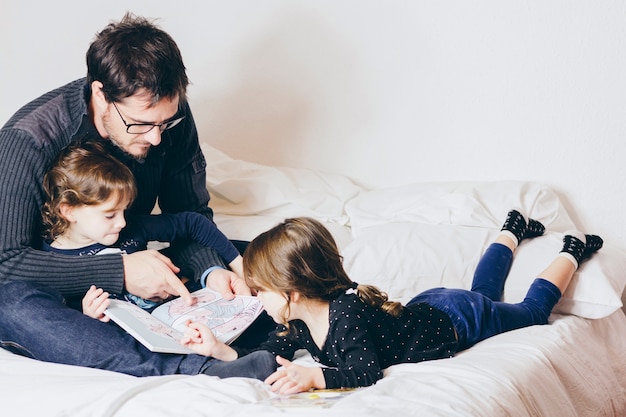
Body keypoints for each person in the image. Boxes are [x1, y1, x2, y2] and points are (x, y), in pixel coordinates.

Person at [0, 13, 271, 376]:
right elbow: (7, 261)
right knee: (14, 305)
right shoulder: (28, 139)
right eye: (141, 124)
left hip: (137, 257)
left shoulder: (167, 116)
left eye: (165, 123)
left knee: (266, 256)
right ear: (100, 93)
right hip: (57, 285)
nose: (157, 138)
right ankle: (189, 369)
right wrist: (119, 271)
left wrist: (210, 270)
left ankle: (309, 328)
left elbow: (190, 213)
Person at [180, 212, 603, 394]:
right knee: (485, 291)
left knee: (527, 313)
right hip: (429, 304)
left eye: (260, 291)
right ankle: (511, 229)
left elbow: (365, 372)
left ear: (291, 293)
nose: (256, 299)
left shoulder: (344, 312)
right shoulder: (300, 321)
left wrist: (315, 379)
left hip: (456, 319)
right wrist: (218, 348)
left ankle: (571, 251)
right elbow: (269, 352)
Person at [41, 141, 246, 316]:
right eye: (110, 215)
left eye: (124, 211)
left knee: (250, 250)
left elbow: (193, 222)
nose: (122, 222)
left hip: (188, 305)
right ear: (69, 211)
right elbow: (59, 316)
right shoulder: (55, 262)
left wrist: (238, 264)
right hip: (145, 331)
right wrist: (87, 315)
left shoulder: (131, 228)